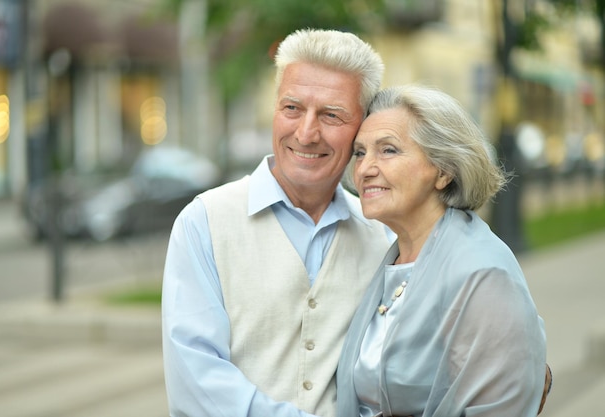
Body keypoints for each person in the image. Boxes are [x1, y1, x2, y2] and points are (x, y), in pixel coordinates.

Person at [161, 28, 392, 417]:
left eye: (331, 115)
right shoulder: (204, 223)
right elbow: (196, 381)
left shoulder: (381, 237)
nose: (306, 133)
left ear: (362, 128)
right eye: (292, 108)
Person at [336, 84, 548, 417]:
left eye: (388, 150)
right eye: (360, 153)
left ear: (443, 171)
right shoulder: (393, 259)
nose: (364, 169)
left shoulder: (481, 273)